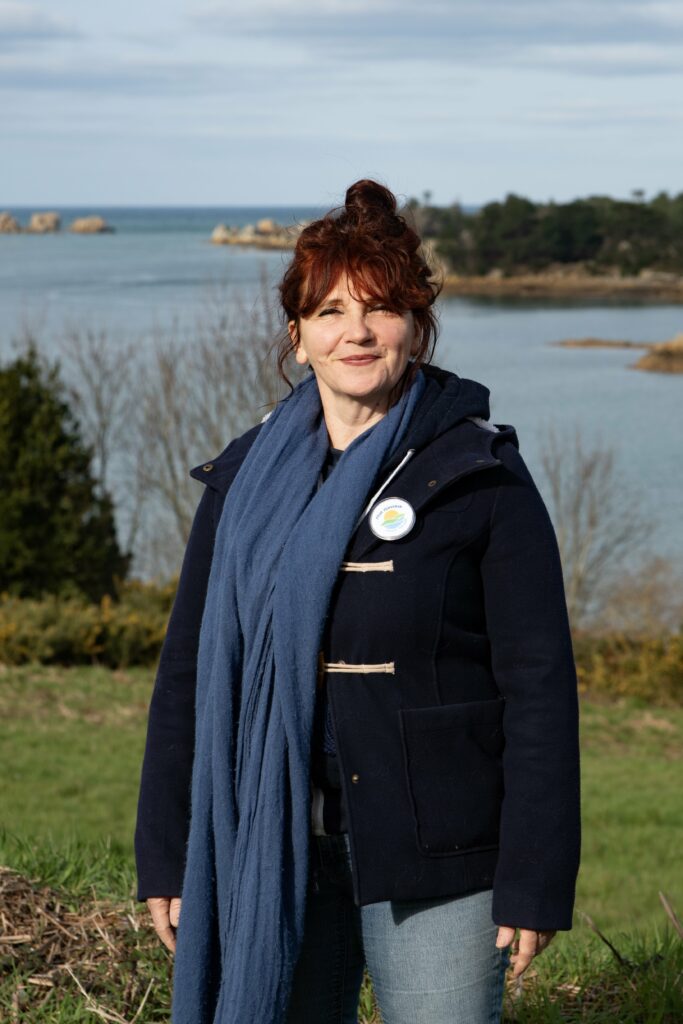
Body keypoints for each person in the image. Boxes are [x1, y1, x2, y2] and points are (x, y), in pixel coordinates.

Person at [134, 179, 581, 1024]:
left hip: (439, 852)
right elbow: (188, 674)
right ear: (297, 337)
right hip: (268, 842)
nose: (357, 332)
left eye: (381, 308)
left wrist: (535, 875)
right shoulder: (241, 482)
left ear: (416, 326)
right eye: (330, 311)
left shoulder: (480, 474)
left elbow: (539, 686)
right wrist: (167, 854)